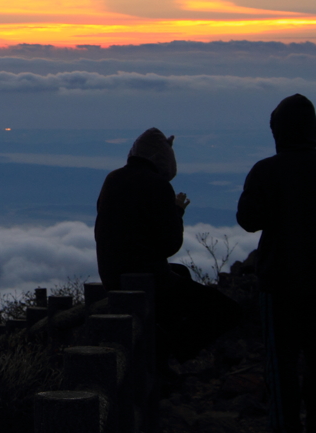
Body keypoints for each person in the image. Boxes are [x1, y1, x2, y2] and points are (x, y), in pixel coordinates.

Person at [238, 94, 316, 433]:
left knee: (281, 365)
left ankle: (285, 427)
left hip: (277, 284)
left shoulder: (265, 171)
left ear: (279, 131)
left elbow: (247, 219)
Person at [95, 128, 241, 372]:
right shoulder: (158, 185)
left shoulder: (112, 178)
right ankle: (173, 356)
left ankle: (163, 351)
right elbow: (169, 244)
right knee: (226, 311)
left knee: (181, 274)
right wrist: (177, 212)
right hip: (145, 279)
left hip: (111, 276)